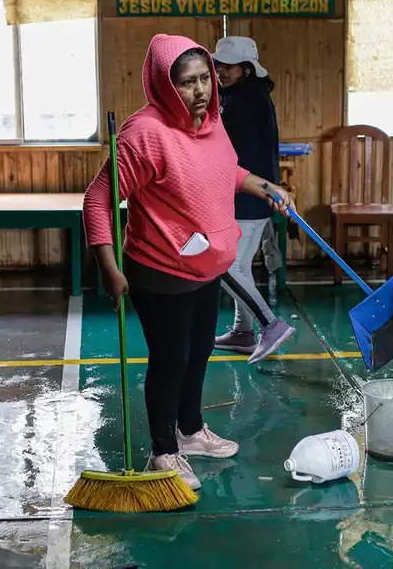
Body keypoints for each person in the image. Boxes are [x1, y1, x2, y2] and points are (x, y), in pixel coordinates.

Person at [82, 34, 293, 491]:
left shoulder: (212, 120)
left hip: (205, 263)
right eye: (186, 83)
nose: (200, 90)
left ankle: (192, 431)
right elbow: (98, 199)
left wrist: (260, 185)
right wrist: (108, 265)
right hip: (160, 267)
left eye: (204, 79)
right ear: (163, 85)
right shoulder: (144, 135)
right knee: (171, 359)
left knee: (199, 351)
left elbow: (224, 170)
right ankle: (163, 450)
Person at [210, 36, 297, 365]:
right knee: (240, 266)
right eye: (219, 65)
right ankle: (242, 332)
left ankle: (269, 326)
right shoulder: (242, 96)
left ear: (247, 69)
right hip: (251, 196)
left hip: (247, 196)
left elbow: (238, 155)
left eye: (228, 66)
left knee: (227, 268)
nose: (221, 71)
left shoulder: (245, 101)